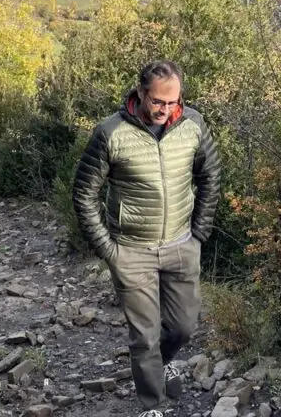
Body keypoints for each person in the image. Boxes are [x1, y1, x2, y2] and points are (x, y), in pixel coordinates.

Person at [72, 60, 221, 417]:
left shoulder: (193, 124)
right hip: (131, 250)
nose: (165, 110)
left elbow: (210, 177)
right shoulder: (110, 132)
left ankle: (164, 361)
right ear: (140, 93)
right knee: (145, 336)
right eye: (157, 102)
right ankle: (151, 406)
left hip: (181, 244)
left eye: (172, 102)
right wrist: (108, 249)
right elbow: (84, 192)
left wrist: (199, 232)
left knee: (184, 326)